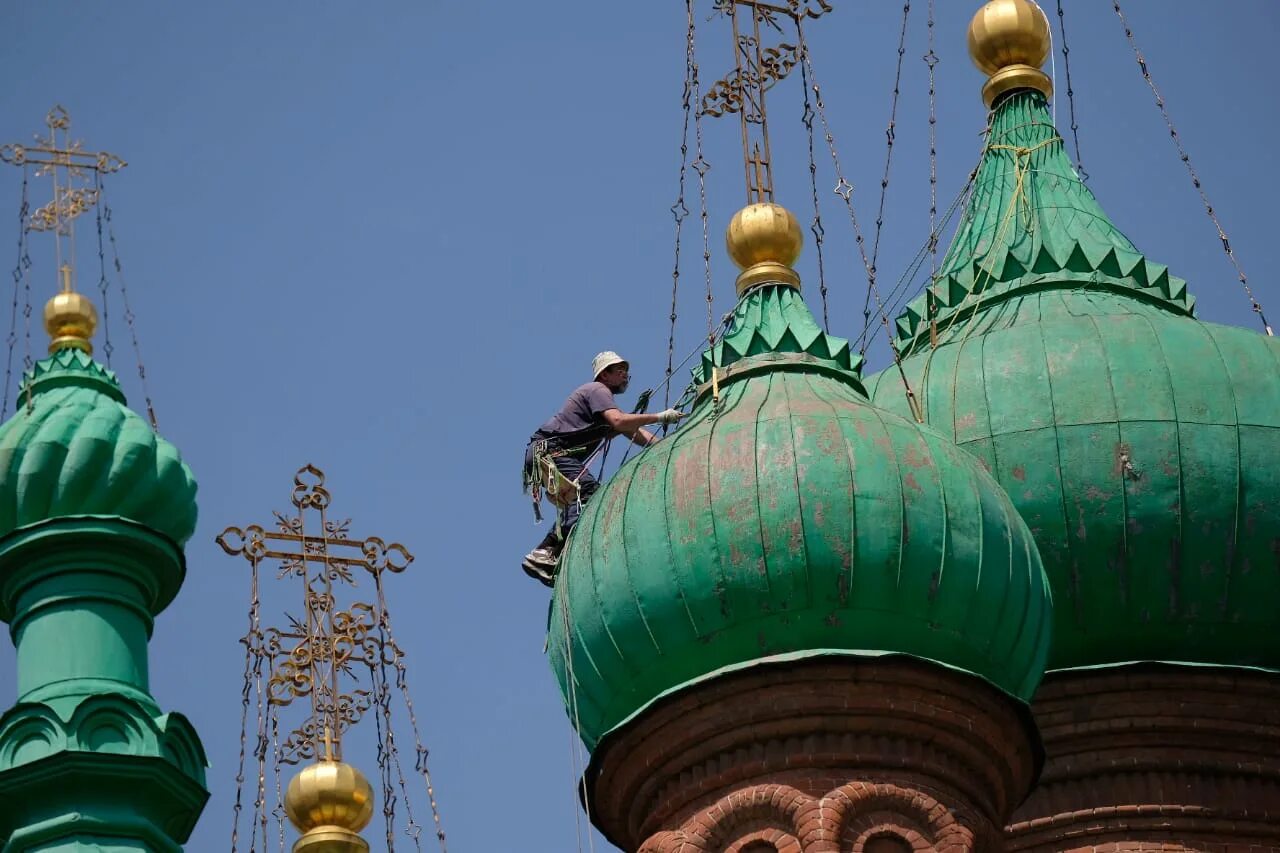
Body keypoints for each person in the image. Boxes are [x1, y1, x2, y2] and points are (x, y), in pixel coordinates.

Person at [521, 351, 685, 586]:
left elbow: (633, 431)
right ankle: (546, 550)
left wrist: (664, 447)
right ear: (604, 375)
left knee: (582, 498)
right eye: (619, 370)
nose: (625, 375)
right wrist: (660, 417)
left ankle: (547, 553)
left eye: (626, 370)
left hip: (547, 453)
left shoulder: (601, 407)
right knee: (587, 493)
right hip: (550, 452)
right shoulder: (597, 391)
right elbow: (620, 422)